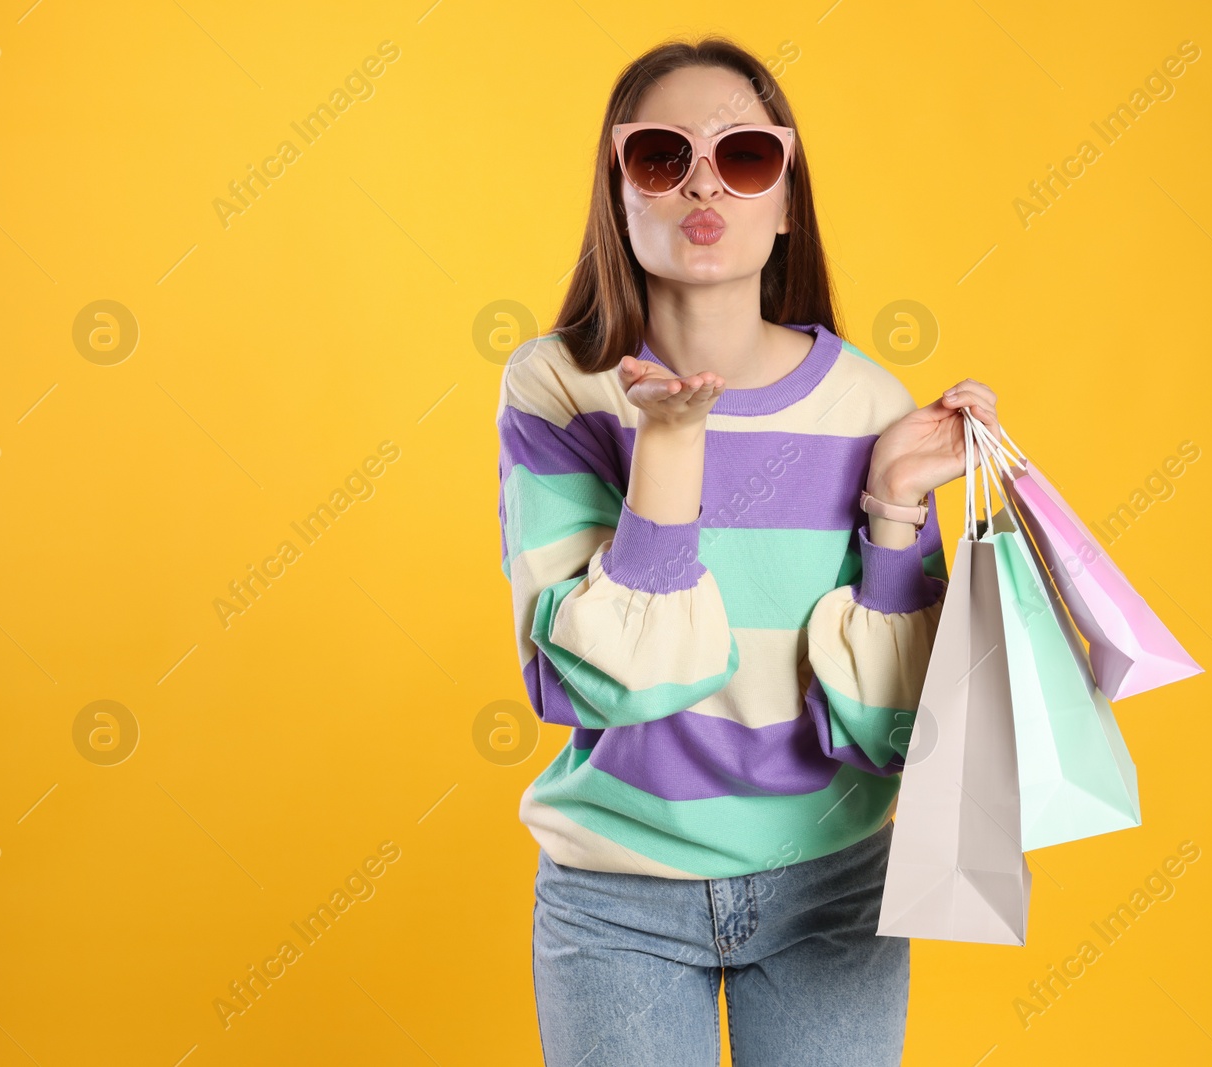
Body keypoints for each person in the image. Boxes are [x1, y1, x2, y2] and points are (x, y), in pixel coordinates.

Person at [495, 34, 1000, 1067]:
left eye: (744, 157)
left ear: (785, 193)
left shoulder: (867, 404)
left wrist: (894, 504)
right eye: (660, 156)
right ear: (617, 187)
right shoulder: (558, 387)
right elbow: (594, 683)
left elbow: (896, 730)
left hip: (831, 885)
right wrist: (668, 451)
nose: (701, 185)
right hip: (617, 893)